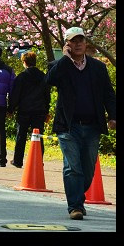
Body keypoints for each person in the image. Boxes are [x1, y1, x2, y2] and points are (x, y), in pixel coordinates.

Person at [45, 27, 116, 220]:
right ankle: (75, 206)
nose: (77, 44)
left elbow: (109, 94)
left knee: (87, 169)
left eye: (80, 40)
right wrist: (65, 60)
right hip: (69, 126)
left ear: (86, 43)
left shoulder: (98, 68)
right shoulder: (58, 65)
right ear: (66, 44)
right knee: (73, 167)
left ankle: (77, 196)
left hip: (92, 125)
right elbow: (49, 80)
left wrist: (113, 115)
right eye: (73, 41)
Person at [8, 51, 51, 168]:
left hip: (24, 110)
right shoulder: (43, 76)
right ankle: (38, 161)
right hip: (39, 110)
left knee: (21, 135)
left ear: (25, 62)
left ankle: (17, 160)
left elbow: (15, 95)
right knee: (38, 136)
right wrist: (46, 110)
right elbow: (47, 96)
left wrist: (11, 109)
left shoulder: (21, 77)